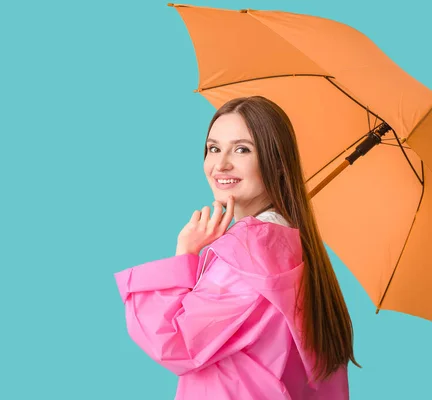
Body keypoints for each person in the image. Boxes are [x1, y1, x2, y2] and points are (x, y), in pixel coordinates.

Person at [113, 96, 359, 399]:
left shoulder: (248, 249)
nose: (220, 164)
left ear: (278, 162)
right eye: (214, 148)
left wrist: (184, 256)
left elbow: (177, 342)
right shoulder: (293, 245)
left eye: (242, 149)